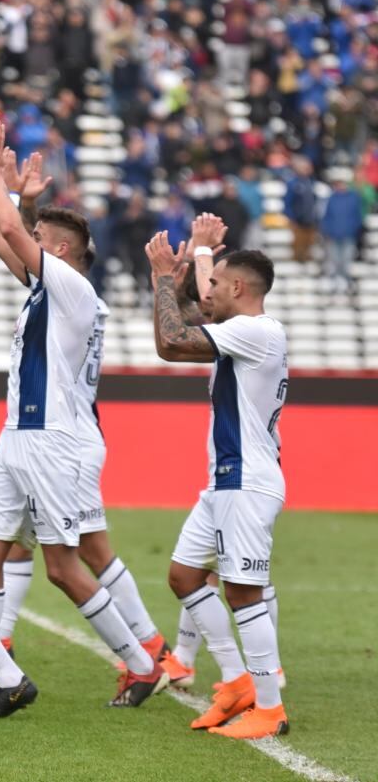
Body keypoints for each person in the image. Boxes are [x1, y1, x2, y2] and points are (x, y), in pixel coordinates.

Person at [0, 122, 164, 707]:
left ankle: (140, 662)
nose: (28, 235)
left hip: (56, 438)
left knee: (63, 566)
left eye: (40, 235)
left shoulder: (74, 290)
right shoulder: (47, 289)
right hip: (20, 434)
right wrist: (0, 187)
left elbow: (7, 227)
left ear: (58, 253)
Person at [146, 234, 289, 740]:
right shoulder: (243, 329)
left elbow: (171, 342)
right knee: (185, 576)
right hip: (225, 480)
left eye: (214, 281)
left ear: (237, 286)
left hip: (247, 480)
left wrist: (167, 276)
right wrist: (192, 261)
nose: (207, 290)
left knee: (243, 591)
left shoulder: (257, 331)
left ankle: (269, 708)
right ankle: (236, 681)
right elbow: (190, 313)